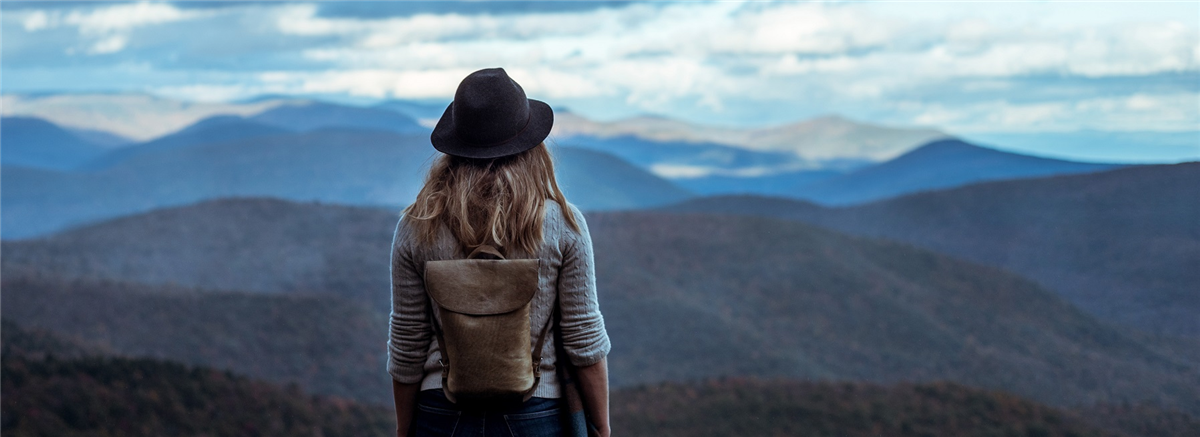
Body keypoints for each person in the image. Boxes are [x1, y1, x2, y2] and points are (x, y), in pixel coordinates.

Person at [387, 67, 612, 437]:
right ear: (531, 145)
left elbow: (408, 344)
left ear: (455, 145)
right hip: (536, 413)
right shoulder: (562, 224)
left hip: (440, 412)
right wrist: (601, 428)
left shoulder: (417, 225)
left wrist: (404, 428)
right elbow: (583, 341)